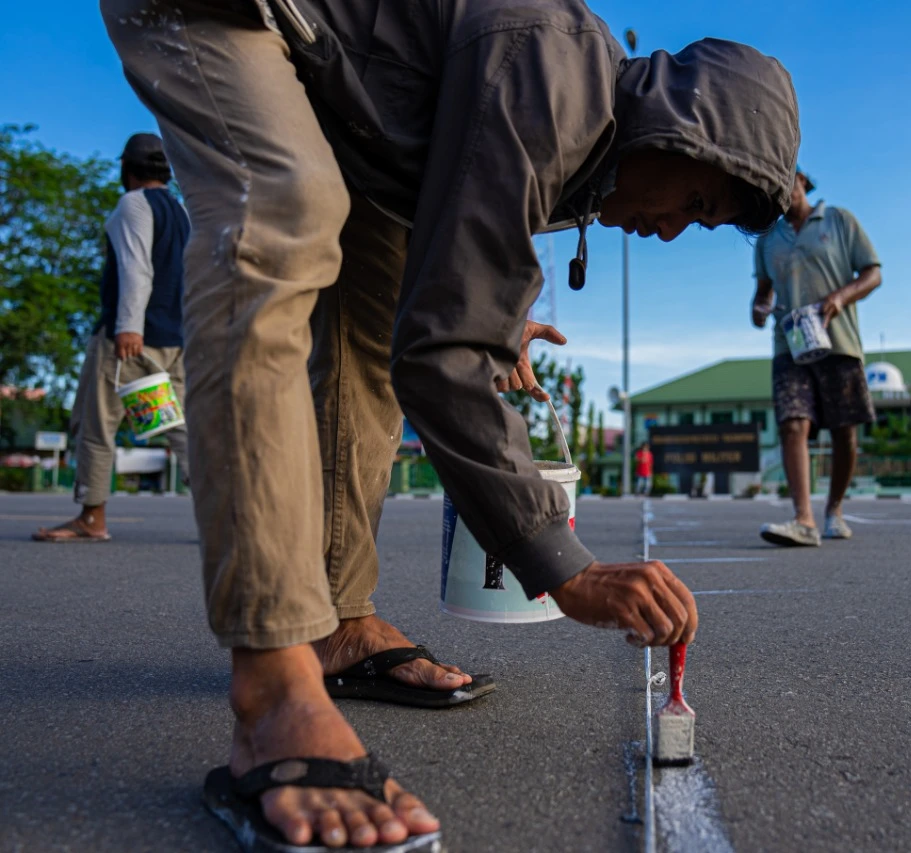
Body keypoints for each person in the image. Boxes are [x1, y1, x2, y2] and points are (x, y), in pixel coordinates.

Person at [101, 2, 799, 850]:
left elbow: (446, 296)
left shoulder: (582, 139)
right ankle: (274, 686)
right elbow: (442, 354)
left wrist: (489, 320)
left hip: (345, 104)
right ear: (677, 129)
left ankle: (335, 620)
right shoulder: (555, 75)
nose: (671, 227)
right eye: (694, 197)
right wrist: (563, 568)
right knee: (283, 214)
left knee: (371, 320)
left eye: (703, 222)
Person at [33, 133, 190, 543]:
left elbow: (136, 270)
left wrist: (128, 327)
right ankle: (228, 521)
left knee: (96, 425)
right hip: (174, 342)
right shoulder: (181, 212)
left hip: (129, 342)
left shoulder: (133, 204)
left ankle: (91, 517)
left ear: (128, 169)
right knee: (181, 429)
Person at [752, 168, 881, 547]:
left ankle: (834, 510)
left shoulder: (839, 220)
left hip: (837, 341)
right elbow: (763, 294)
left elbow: (873, 273)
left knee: (845, 432)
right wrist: (760, 309)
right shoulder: (767, 239)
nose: (781, 194)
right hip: (789, 345)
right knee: (793, 423)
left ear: (803, 184)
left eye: (786, 184)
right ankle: (803, 519)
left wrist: (840, 298)